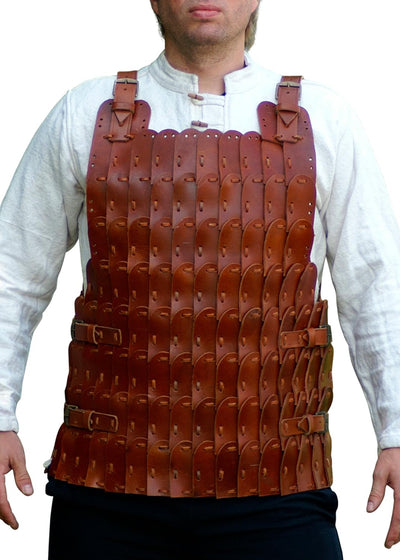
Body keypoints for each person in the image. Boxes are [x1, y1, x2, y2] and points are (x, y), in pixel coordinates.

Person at [1, 1, 400, 558]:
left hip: (278, 488)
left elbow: (376, 287)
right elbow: (12, 273)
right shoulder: (85, 112)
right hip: (107, 489)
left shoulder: (325, 118)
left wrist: (396, 430)